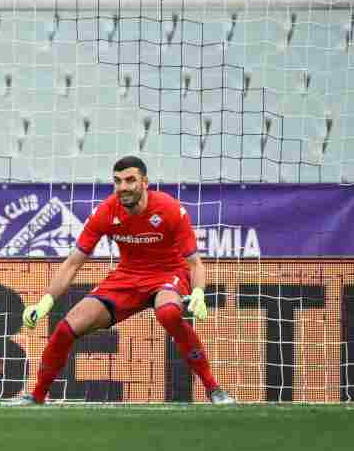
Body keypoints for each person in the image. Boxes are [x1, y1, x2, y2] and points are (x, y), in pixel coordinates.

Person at [15, 155, 234, 405]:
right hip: (127, 277)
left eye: (130, 180)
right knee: (65, 329)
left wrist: (198, 292)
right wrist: (44, 303)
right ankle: (37, 396)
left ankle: (214, 389)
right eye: (117, 181)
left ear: (145, 182)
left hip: (168, 275)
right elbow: (73, 263)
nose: (123, 187)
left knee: (169, 314)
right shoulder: (106, 211)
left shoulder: (170, 209)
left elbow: (195, 263)